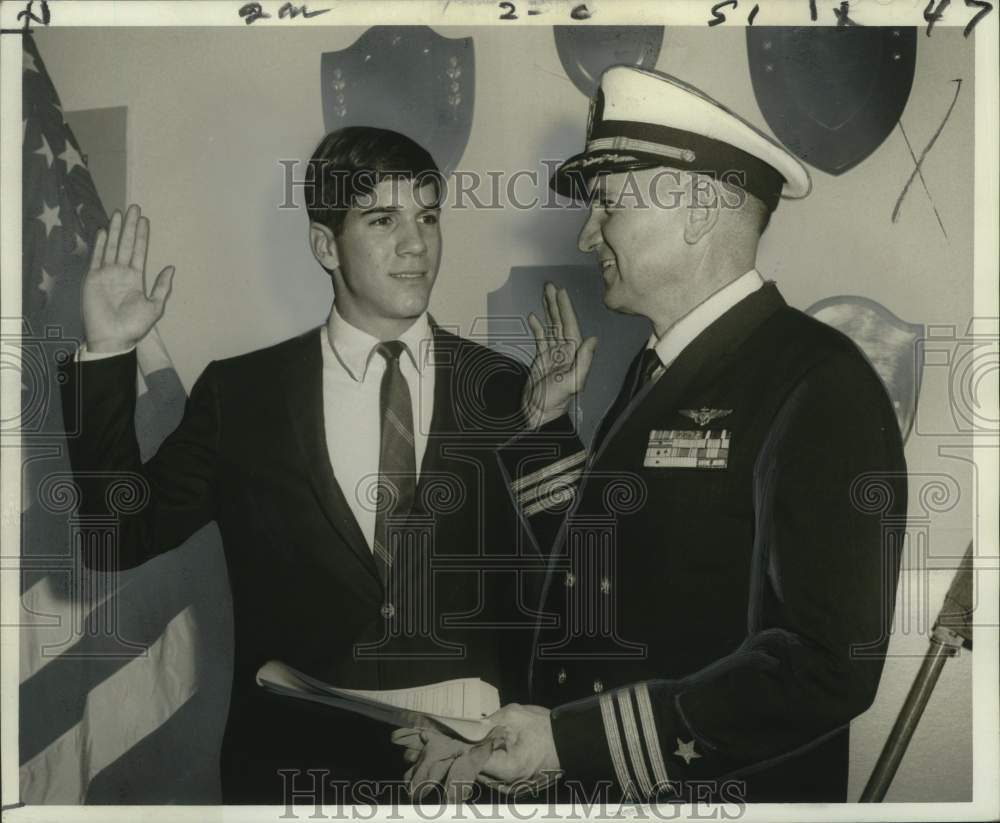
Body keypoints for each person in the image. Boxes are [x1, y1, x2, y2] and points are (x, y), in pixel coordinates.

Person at [401, 67, 908, 804]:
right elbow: (622, 570)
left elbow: (824, 666)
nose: (585, 232)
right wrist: (546, 431)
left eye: (606, 203)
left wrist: (570, 742)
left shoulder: (819, 382)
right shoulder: (661, 368)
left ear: (698, 206)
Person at [61, 127, 535, 804]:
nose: (416, 244)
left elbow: (566, 597)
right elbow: (115, 534)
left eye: (428, 217)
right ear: (324, 244)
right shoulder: (241, 395)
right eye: (382, 219)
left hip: (476, 781)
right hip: (292, 778)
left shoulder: (509, 389)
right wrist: (106, 352)